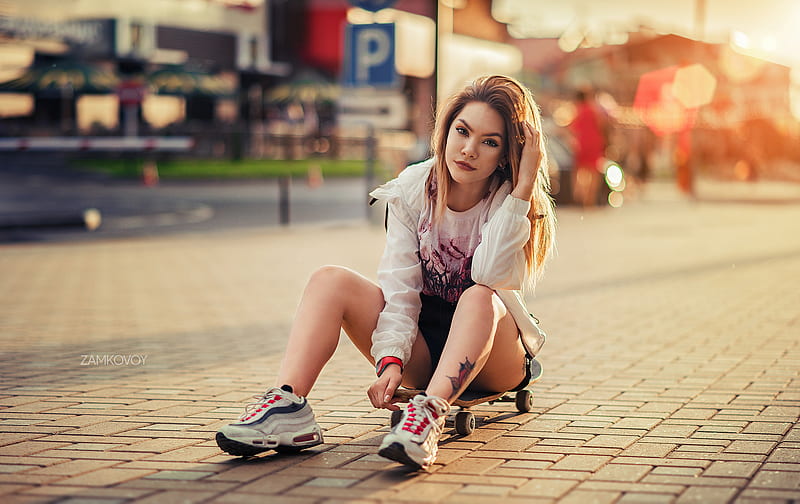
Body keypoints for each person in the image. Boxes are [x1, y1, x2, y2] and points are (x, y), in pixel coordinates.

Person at [215, 75, 557, 471]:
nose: (468, 150)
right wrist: (392, 361)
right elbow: (401, 289)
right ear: (445, 131)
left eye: (490, 142)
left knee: (478, 294)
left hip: (495, 356)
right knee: (330, 280)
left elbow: (489, 275)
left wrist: (524, 186)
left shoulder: (511, 200)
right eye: (462, 131)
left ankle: (428, 415)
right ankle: (289, 407)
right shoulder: (412, 190)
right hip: (426, 352)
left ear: (505, 154)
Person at [570, 89, 607, 208]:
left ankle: (580, 194)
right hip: (595, 143)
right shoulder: (595, 110)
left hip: (581, 144)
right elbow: (602, 125)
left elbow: (572, 128)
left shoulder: (577, 111)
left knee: (579, 171)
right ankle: (590, 199)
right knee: (594, 173)